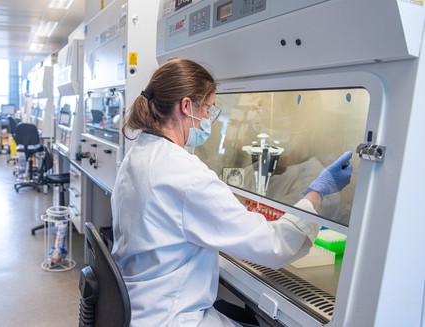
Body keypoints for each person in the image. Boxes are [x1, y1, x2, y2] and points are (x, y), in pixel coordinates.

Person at [110, 59, 353, 327]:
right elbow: (273, 246)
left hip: (138, 307)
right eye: (209, 109)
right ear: (187, 106)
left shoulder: (138, 155)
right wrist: (318, 192)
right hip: (171, 316)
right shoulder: (184, 174)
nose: (208, 120)